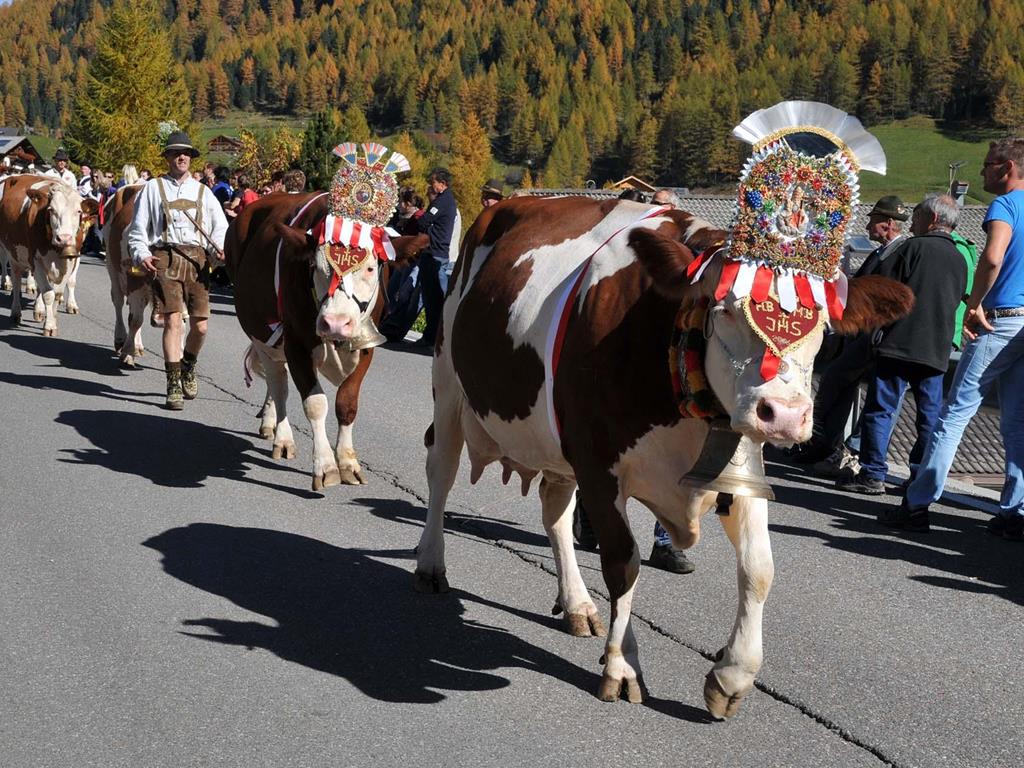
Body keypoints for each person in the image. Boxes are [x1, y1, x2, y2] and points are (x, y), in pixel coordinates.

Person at [887, 138, 1024, 536]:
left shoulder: (1005, 205)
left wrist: (976, 304)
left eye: (986, 166)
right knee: (1016, 422)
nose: (981, 173)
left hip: (1000, 320)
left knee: (954, 415)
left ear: (1006, 168)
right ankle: (1014, 513)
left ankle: (916, 504)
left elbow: (993, 256)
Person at [838, 194, 968, 496]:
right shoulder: (961, 258)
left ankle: (872, 474)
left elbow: (884, 292)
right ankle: (918, 477)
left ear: (933, 219)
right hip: (937, 348)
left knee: (880, 409)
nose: (913, 221)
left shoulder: (911, 247)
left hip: (899, 342)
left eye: (919, 215)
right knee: (930, 416)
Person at [794, 195, 911, 475]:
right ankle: (825, 443)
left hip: (872, 337)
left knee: (839, 381)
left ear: (889, 224)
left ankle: (838, 447)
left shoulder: (899, 254)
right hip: (859, 335)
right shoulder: (879, 253)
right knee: (838, 383)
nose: (869, 226)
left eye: (874, 220)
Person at [126, 130, 229, 411]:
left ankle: (188, 365)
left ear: (191, 159)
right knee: (173, 322)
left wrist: (219, 249)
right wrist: (142, 253)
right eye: (175, 153)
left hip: (197, 260)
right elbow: (137, 231)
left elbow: (219, 228)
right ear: (168, 157)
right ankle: (173, 384)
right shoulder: (153, 188)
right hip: (165, 258)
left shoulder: (203, 192)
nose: (181, 157)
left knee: (201, 327)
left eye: (186, 153)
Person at [416, 168, 457, 347]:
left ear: (442, 184)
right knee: (432, 300)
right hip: (435, 253)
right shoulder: (447, 201)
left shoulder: (442, 202)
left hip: (435, 254)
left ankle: (434, 338)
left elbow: (423, 221)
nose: (431, 186)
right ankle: (430, 336)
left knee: (435, 300)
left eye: (433, 182)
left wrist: (426, 225)